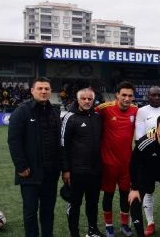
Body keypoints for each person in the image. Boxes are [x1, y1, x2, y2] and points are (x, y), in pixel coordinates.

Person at [8, 77, 61, 237]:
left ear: (50, 91)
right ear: (32, 91)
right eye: (40, 88)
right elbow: (14, 141)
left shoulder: (54, 112)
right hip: (30, 172)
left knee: (48, 210)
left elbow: (59, 141)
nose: (44, 91)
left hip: (51, 173)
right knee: (30, 211)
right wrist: (21, 166)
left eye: (47, 89)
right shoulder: (22, 111)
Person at [95, 81, 138, 237]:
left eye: (130, 95)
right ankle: (109, 226)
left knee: (125, 195)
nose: (127, 98)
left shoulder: (135, 110)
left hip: (127, 163)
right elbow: (85, 111)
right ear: (117, 95)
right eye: (124, 95)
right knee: (108, 195)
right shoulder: (104, 109)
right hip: (108, 163)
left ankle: (125, 225)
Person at [134, 86, 160, 236]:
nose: (157, 97)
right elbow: (139, 137)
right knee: (148, 192)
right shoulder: (141, 111)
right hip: (148, 159)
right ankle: (150, 223)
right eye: (154, 95)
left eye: (159, 95)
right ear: (148, 96)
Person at [61, 88, 104, 237]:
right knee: (74, 204)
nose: (87, 101)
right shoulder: (70, 118)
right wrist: (65, 170)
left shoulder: (98, 117)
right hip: (76, 171)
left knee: (93, 203)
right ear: (77, 99)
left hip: (95, 170)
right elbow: (63, 145)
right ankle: (74, 233)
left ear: (93, 100)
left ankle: (92, 230)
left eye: (89, 99)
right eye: (83, 99)